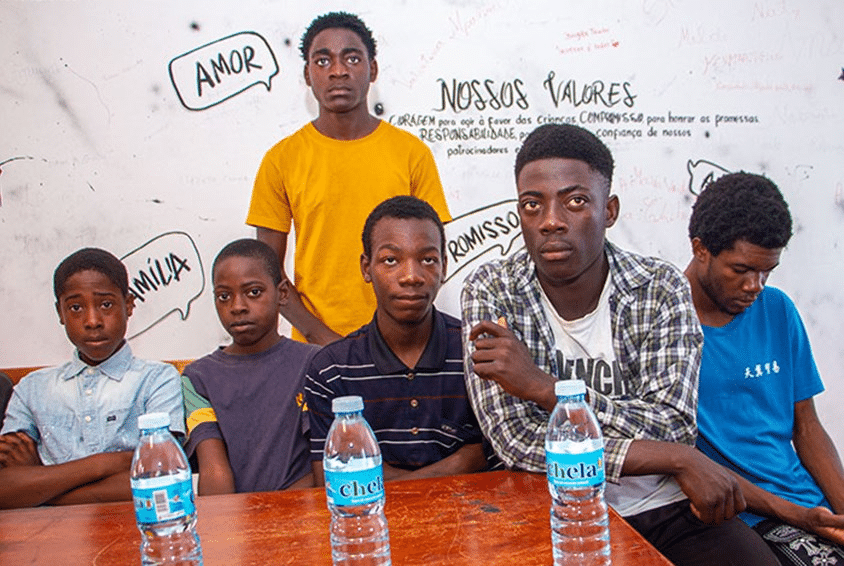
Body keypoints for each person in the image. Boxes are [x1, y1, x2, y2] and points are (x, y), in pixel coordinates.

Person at [461, 124, 779, 566]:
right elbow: (515, 439)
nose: (550, 220)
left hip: (667, 505)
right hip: (553, 507)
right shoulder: (492, 289)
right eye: (532, 205)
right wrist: (678, 459)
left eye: (574, 201)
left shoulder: (659, 286)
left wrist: (546, 389)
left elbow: (671, 424)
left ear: (609, 210)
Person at [246, 11, 451, 346]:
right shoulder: (281, 159)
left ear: (373, 69)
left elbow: (434, 254)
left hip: (406, 343)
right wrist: (319, 336)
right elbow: (266, 271)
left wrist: (402, 332)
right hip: (314, 349)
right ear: (307, 75)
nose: (338, 71)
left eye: (351, 58)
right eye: (323, 60)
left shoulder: (412, 153)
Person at [685, 172, 844, 565]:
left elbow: (806, 426)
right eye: (740, 270)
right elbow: (681, 459)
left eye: (766, 271)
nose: (755, 285)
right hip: (740, 514)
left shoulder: (777, 309)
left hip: (808, 504)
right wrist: (802, 516)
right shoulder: (669, 324)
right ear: (701, 249)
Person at [305, 196, 487, 483]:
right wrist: (459, 463)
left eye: (427, 259)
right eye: (391, 260)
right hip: (371, 524)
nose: (411, 276)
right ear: (366, 268)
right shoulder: (331, 370)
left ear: (444, 267)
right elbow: (334, 478)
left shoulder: (478, 350)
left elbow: (493, 458)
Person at [0, 248, 183, 509]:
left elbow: (163, 476)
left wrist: (41, 481)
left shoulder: (156, 379)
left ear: (129, 305)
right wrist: (109, 463)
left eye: (106, 304)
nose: (92, 320)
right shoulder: (31, 389)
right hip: (50, 540)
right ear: (60, 313)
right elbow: (5, 490)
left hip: (136, 531)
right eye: (75, 307)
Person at [181, 239, 319, 495]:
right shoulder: (198, 378)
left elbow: (325, 466)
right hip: (235, 522)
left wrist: (270, 515)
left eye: (253, 292)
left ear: (282, 294)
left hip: (304, 514)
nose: (237, 307)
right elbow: (214, 471)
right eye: (224, 296)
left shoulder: (315, 364)